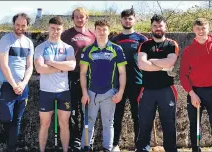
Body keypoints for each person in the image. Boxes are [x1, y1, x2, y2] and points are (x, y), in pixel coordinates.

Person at [179, 18, 212, 152]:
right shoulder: (188, 51)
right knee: (195, 125)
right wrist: (191, 94)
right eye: (198, 28)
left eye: (203, 28)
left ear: (208, 29)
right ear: (193, 30)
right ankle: (195, 150)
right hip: (195, 92)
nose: (201, 31)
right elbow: (183, 75)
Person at [79, 20, 127, 152]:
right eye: (98, 29)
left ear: (108, 31)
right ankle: (86, 147)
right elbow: (83, 73)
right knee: (88, 123)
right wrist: (84, 93)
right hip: (91, 94)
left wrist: (120, 92)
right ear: (94, 31)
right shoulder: (87, 50)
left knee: (108, 124)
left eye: (104, 29)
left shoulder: (117, 49)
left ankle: (108, 148)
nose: (101, 32)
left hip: (109, 94)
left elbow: (122, 73)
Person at [135, 14, 179, 152]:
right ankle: (143, 149)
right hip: (147, 90)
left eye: (160, 25)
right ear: (151, 28)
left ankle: (171, 149)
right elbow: (142, 65)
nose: (158, 28)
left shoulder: (171, 44)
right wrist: (163, 65)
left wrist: (152, 61)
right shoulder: (145, 45)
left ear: (165, 27)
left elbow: (170, 62)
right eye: (155, 26)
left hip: (166, 90)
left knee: (169, 124)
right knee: (144, 124)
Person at [34, 16, 76, 152]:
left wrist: (51, 63)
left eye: (58, 29)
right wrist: (62, 67)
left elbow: (72, 65)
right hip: (46, 91)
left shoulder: (68, 48)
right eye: (53, 28)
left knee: (64, 123)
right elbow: (40, 69)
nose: (55, 31)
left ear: (62, 30)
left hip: (64, 91)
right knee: (44, 123)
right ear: (48, 28)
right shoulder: (41, 48)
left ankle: (65, 150)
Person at [109, 8, 148, 151]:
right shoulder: (114, 40)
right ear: (121, 20)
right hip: (117, 84)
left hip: (137, 83)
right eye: (125, 18)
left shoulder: (142, 39)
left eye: (130, 18)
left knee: (137, 116)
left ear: (134, 20)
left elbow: (148, 60)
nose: (127, 20)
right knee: (116, 115)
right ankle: (114, 145)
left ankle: (140, 146)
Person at [0, 13, 34, 152]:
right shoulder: (5, 40)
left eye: (23, 25)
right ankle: (5, 133)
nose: (20, 27)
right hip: (8, 85)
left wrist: (23, 83)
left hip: (23, 86)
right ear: (13, 24)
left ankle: (11, 148)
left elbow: (30, 66)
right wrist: (14, 84)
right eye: (17, 25)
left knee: (17, 120)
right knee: (6, 117)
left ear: (27, 26)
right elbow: (4, 65)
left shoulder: (29, 42)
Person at [60, 7, 96, 151]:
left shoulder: (93, 35)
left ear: (87, 18)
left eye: (82, 17)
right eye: (76, 17)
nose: (79, 19)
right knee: (73, 111)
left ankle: (86, 141)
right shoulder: (66, 35)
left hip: (88, 77)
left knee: (87, 110)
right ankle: (74, 142)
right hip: (70, 76)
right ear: (72, 18)